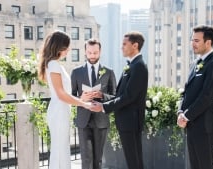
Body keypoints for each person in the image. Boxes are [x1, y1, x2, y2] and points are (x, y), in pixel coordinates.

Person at [90, 31, 148, 169]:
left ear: (135, 45)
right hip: (126, 121)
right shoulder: (132, 65)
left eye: (124, 44)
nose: (121, 47)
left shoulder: (138, 66)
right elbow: (120, 95)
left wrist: (103, 108)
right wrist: (102, 97)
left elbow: (128, 96)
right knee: (132, 159)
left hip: (131, 121)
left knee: (134, 159)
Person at [38, 30, 91, 169]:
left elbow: (63, 93)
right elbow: (61, 94)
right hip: (59, 111)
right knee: (60, 148)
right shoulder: (54, 64)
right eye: (66, 46)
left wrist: (80, 98)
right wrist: (83, 103)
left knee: (61, 147)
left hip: (61, 110)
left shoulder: (54, 64)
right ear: (59, 47)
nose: (68, 50)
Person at [177, 25, 213, 169]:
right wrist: (180, 112)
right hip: (191, 126)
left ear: (208, 42)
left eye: (196, 40)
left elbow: (207, 97)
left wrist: (186, 116)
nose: (193, 43)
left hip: (205, 127)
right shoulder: (195, 64)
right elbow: (185, 92)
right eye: (192, 40)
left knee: (206, 166)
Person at [71, 39, 117, 169]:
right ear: (85, 52)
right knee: (86, 159)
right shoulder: (76, 72)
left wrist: (102, 95)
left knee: (98, 160)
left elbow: (115, 97)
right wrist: (81, 98)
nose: (92, 56)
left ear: (100, 52)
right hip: (83, 121)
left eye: (95, 53)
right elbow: (71, 96)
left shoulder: (109, 72)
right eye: (89, 52)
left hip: (101, 120)